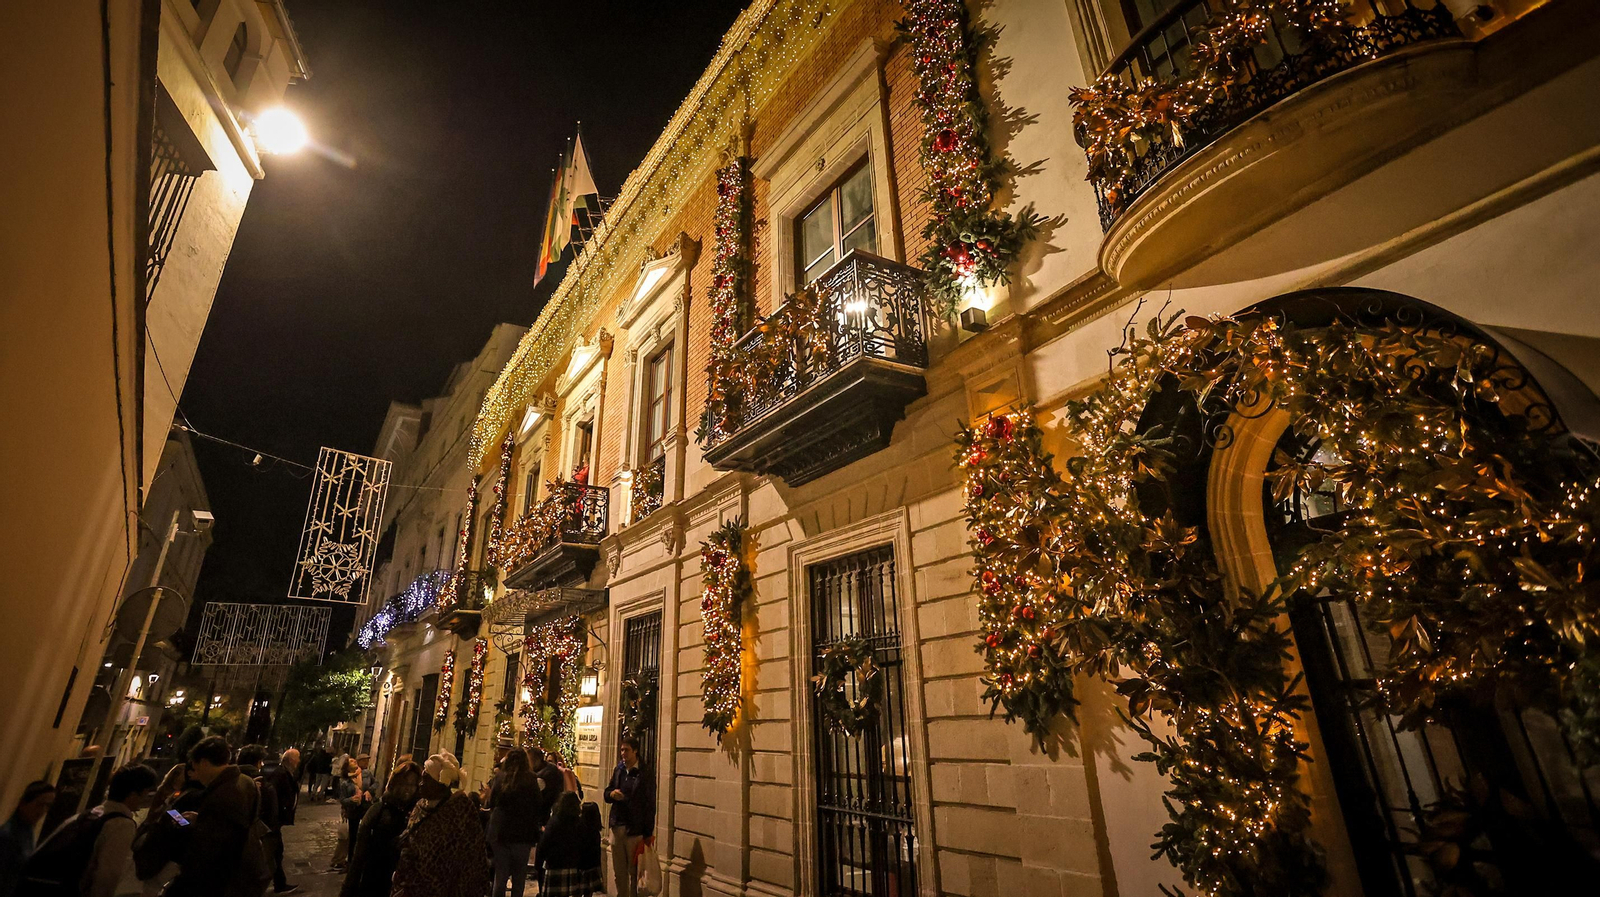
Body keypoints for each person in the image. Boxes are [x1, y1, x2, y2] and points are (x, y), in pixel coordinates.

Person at [19, 763, 159, 897]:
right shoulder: (122, 825)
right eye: (145, 793)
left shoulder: (90, 813)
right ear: (133, 795)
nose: (146, 799)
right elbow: (107, 877)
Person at [165, 736, 271, 897]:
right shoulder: (244, 781)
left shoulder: (223, 794)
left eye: (196, 767)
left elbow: (210, 847)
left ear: (205, 763)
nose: (196, 773)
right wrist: (200, 819)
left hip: (226, 881)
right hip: (246, 872)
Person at [389, 753, 488, 897]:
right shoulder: (420, 806)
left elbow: (472, 855)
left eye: (426, 779)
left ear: (441, 784)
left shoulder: (460, 811)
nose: (420, 784)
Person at [339, 762, 420, 897]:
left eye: (412, 784)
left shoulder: (417, 813)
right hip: (376, 879)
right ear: (395, 783)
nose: (408, 789)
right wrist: (348, 889)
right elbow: (359, 855)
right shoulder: (379, 810)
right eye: (404, 783)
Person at [485, 750, 541, 897]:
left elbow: (492, 802)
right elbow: (538, 804)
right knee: (519, 877)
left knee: (501, 876)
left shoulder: (500, 778)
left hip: (501, 833)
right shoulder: (531, 779)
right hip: (523, 834)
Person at [604, 736, 654, 897]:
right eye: (621, 750)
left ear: (635, 751)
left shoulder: (644, 773)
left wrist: (647, 832)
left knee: (634, 871)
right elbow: (606, 793)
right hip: (617, 826)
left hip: (634, 829)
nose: (623, 753)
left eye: (626, 750)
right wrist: (612, 794)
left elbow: (650, 803)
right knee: (619, 872)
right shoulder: (619, 770)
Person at [533, 792, 597, 897]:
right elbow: (584, 846)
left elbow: (543, 844)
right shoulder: (580, 824)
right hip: (573, 866)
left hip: (554, 866)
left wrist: (539, 864)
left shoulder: (554, 823)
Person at [1, 782, 55, 897]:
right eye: (39, 804)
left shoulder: (28, 831)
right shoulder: (7, 835)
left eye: (48, 806)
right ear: (23, 803)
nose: (43, 811)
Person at [263, 749, 300, 894]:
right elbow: (273, 797)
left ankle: (279, 883)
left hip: (275, 821)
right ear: (290, 760)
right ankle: (278, 883)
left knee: (277, 852)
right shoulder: (280, 774)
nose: (298, 761)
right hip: (272, 821)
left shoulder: (285, 773)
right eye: (297, 758)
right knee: (274, 852)